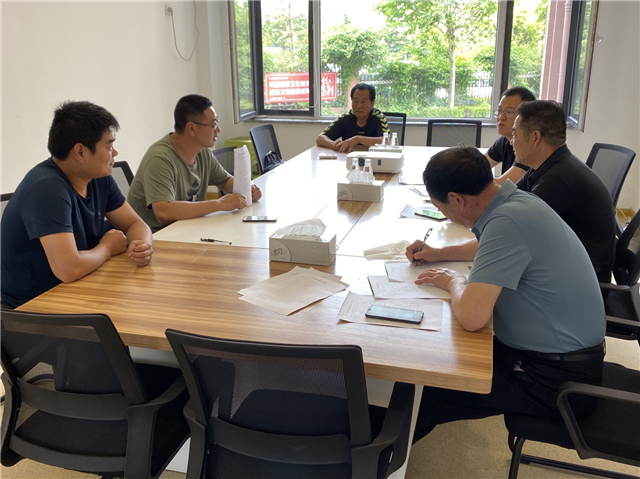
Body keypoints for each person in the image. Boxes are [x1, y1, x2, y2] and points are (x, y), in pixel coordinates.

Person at [405, 146, 605, 444]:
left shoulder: (506, 223)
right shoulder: (514, 203)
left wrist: (454, 281)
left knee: (424, 390)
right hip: (561, 357)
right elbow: (490, 247)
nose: (444, 214)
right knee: (435, 358)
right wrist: (439, 254)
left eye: (440, 207)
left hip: (558, 382)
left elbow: (472, 317)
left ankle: (370, 455)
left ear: (456, 199)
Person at [1, 101, 153, 309]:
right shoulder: (47, 187)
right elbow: (68, 269)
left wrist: (142, 246)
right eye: (109, 146)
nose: (115, 153)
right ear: (80, 152)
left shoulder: (99, 177)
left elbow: (135, 224)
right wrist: (107, 248)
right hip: (34, 307)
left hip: (79, 287)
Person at [512, 100, 616, 282]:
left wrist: (453, 251)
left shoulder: (558, 180)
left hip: (583, 283)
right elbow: (509, 200)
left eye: (515, 135)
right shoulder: (550, 164)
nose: (511, 142)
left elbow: (513, 231)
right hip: (568, 267)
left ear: (535, 137)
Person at [128, 94, 262, 232]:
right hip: (155, 236)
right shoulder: (160, 159)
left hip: (187, 229)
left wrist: (248, 190)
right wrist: (220, 204)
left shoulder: (202, 152)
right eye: (213, 125)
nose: (218, 130)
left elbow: (225, 181)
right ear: (191, 128)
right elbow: (164, 212)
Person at [316, 83, 389, 153]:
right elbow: (320, 138)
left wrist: (358, 139)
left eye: (363, 102)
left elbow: (387, 141)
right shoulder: (346, 118)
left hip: (373, 159)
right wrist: (334, 145)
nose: (358, 106)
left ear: (372, 103)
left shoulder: (378, 117)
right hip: (348, 158)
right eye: (355, 101)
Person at [485, 86, 536, 184]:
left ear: (527, 116)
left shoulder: (530, 146)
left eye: (509, 112)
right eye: (499, 111)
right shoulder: (505, 140)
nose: (501, 117)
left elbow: (502, 186)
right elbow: (479, 166)